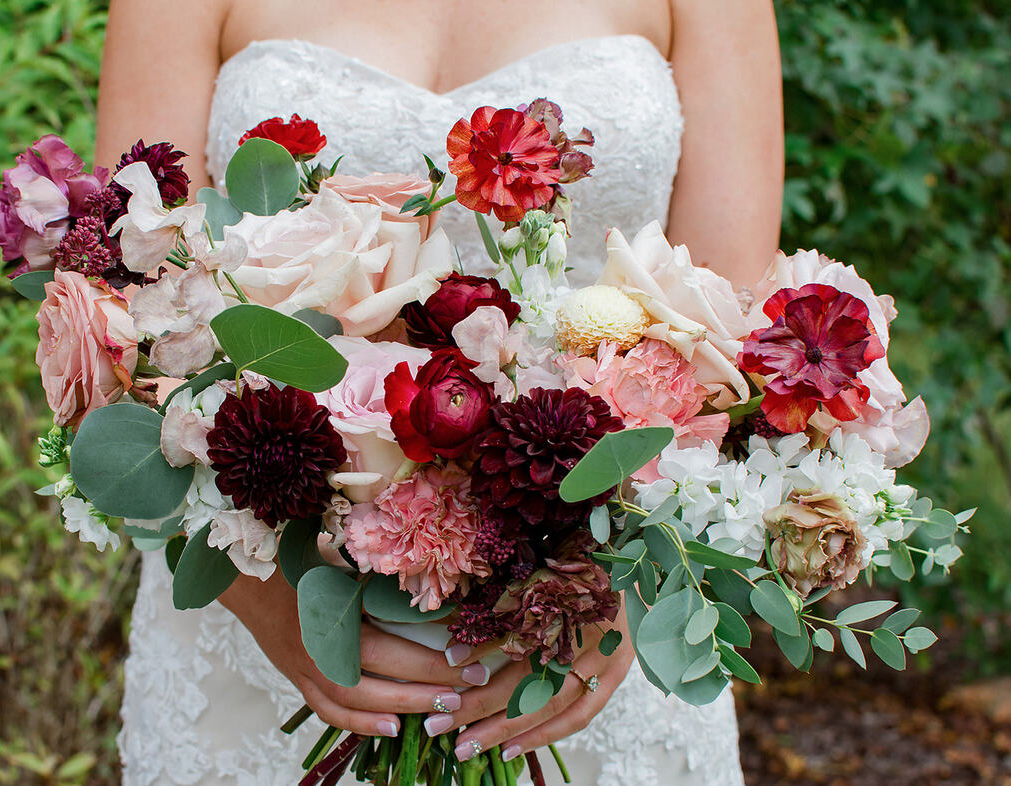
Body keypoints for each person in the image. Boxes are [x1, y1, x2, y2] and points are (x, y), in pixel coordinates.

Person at [97, 1, 783, 782]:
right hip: (263, 599)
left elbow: (733, 336)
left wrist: (622, 597)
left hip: (590, 616)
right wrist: (270, 608)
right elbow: (124, 298)